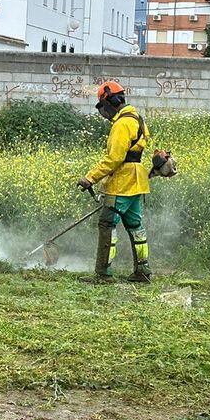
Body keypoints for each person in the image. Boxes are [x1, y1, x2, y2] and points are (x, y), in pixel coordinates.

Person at [77, 80, 152, 283]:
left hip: (122, 182)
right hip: (137, 181)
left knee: (107, 224)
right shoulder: (137, 118)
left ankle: (103, 274)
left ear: (113, 100)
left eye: (104, 106)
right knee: (136, 226)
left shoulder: (122, 124)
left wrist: (89, 178)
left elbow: (114, 158)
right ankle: (143, 271)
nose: (104, 112)